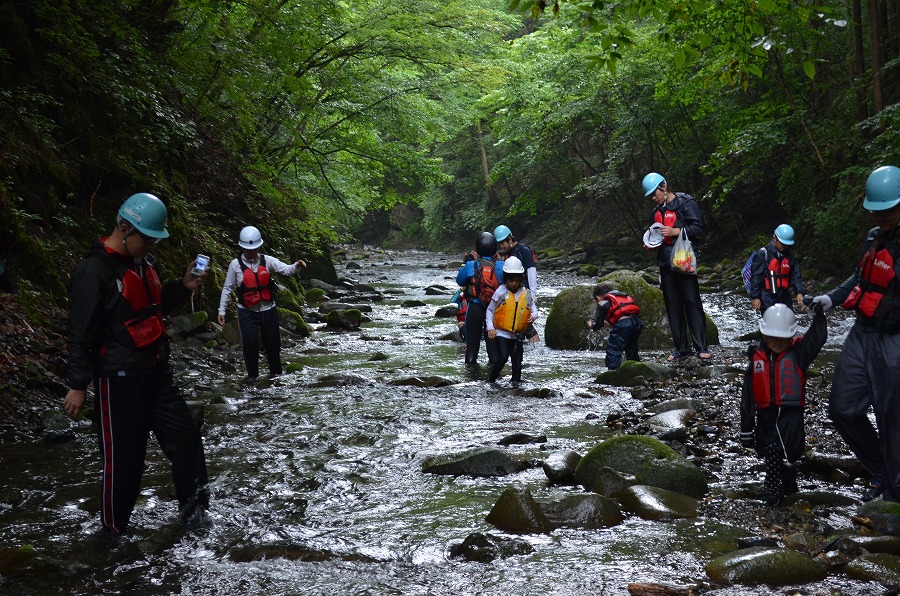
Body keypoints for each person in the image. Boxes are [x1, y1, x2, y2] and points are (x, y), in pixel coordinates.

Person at [63, 192, 209, 534]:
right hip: (118, 381)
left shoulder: (144, 264)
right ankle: (113, 536)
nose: (153, 246)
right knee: (124, 464)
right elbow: (80, 333)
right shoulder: (92, 272)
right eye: (149, 239)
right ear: (125, 228)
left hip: (157, 373)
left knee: (187, 438)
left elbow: (152, 307)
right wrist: (77, 385)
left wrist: (183, 287)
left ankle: (195, 515)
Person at [810, 165, 900, 503]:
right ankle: (881, 471)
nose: (882, 215)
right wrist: (831, 298)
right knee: (843, 409)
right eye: (878, 210)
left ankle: (894, 492)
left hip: (894, 339)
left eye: (888, 209)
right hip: (862, 334)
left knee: (893, 419)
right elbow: (859, 280)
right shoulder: (873, 238)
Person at [739, 303, 827, 505]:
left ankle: (781, 483)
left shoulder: (799, 354)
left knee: (788, 453)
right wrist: (746, 429)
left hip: (790, 416)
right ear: (764, 335)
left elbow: (816, 340)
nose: (778, 342)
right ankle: (776, 486)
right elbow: (747, 396)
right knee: (769, 449)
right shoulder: (756, 360)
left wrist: (819, 317)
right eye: (773, 337)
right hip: (765, 416)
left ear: (791, 337)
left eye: (783, 338)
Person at [218, 226, 306, 379]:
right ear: (242, 247)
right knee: (250, 345)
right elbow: (227, 288)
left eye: (253, 249)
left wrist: (297, 266)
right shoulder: (235, 265)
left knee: (273, 345)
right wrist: (221, 311)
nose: (251, 252)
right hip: (246, 312)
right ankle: (253, 379)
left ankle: (276, 377)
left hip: (269, 310)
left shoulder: (268, 260)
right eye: (247, 249)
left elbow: (286, 270)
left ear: (259, 247)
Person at [641, 172, 711, 362]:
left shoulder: (686, 203)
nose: (653, 198)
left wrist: (676, 231)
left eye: (654, 193)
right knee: (673, 305)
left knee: (692, 302)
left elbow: (699, 228)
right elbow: (656, 238)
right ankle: (682, 348)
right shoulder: (655, 213)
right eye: (651, 196)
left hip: (684, 262)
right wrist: (650, 244)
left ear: (663, 186)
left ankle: (701, 347)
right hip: (665, 263)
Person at [485, 256, 537, 383]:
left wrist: (533, 316)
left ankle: (516, 385)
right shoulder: (500, 292)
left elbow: (534, 310)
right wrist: (490, 327)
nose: (514, 283)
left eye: (517, 280)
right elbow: (490, 310)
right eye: (511, 280)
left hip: (518, 334)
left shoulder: (527, 293)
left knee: (517, 362)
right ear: (505, 278)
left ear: (521, 279)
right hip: (502, 333)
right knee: (502, 358)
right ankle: (491, 381)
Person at [456, 232, 503, 366]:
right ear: (494, 249)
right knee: (494, 352)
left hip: (475, 308)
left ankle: (471, 378)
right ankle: (494, 379)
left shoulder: (472, 265)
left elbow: (459, 280)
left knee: (471, 350)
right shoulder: (501, 266)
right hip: (494, 310)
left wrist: (465, 263)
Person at [494, 224, 540, 342]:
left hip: (524, 292)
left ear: (509, 239)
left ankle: (537, 349)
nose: (501, 246)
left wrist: (533, 294)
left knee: (527, 323)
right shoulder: (508, 253)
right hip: (512, 292)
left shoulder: (523, 250)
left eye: (502, 243)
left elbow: (531, 271)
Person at [586, 283, 644, 370]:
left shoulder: (603, 303)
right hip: (637, 323)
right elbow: (626, 315)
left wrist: (591, 325)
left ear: (597, 297)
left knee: (613, 349)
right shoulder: (623, 297)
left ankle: (612, 372)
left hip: (623, 325)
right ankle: (636, 369)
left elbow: (597, 326)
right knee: (631, 347)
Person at [750, 224, 805, 313]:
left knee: (788, 323)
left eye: (787, 245)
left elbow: (796, 274)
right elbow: (756, 277)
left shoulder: (789, 256)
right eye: (783, 244)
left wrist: (799, 292)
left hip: (784, 296)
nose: (785, 247)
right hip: (767, 297)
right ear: (775, 239)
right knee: (771, 324)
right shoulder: (763, 254)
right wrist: (755, 297)